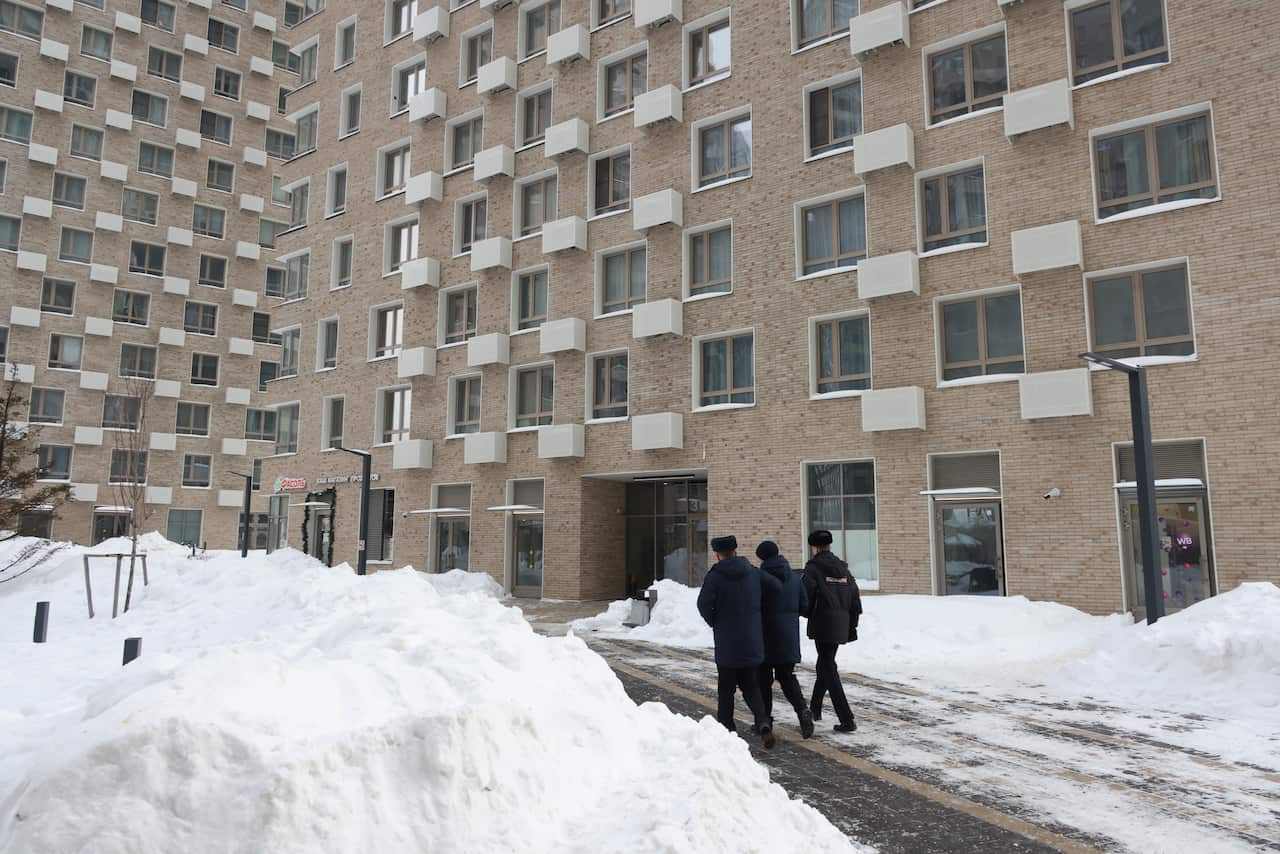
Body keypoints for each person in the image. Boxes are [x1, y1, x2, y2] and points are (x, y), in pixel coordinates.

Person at [696, 535, 778, 749]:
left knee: (726, 689)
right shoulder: (752, 571)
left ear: (718, 554)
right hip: (752, 639)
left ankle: (727, 729)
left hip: (727, 642)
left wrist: (715, 621)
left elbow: (703, 604)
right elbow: (776, 587)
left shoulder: (715, 576)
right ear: (735, 550)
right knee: (751, 686)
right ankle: (762, 721)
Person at [802, 530, 863, 733]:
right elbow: (855, 597)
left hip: (822, 622)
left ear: (815, 548)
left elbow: (806, 596)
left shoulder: (813, 568)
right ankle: (815, 708)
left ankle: (846, 718)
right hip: (841, 623)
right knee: (825, 662)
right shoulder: (843, 568)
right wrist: (851, 624)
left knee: (828, 666)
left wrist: (805, 612)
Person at [755, 541, 814, 739]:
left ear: (762, 557)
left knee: (763, 680)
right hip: (788, 636)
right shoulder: (795, 578)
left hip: (764, 635)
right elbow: (805, 606)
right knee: (787, 677)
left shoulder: (760, 577)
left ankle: (765, 721)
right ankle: (802, 711)